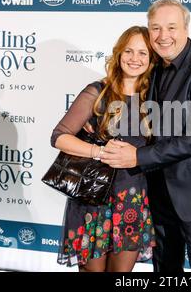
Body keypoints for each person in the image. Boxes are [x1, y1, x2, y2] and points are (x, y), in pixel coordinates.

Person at [100, 0, 191, 272]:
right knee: (165, 266)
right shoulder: (153, 66)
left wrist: (137, 156)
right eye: (156, 28)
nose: (163, 36)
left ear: (186, 28)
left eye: (171, 27)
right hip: (158, 188)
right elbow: (135, 112)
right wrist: (97, 123)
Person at [50, 26, 157, 272]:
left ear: (151, 59)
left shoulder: (155, 98)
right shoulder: (99, 92)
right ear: (119, 54)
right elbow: (59, 137)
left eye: (143, 53)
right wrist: (99, 151)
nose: (134, 58)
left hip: (133, 201)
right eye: (129, 51)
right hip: (93, 198)